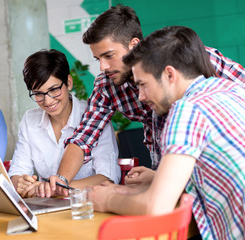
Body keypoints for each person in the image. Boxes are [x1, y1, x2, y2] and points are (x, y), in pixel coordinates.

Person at [44, 5, 245, 196]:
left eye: (109, 56)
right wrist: (61, 179)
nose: (103, 67)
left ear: (134, 45)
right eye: (98, 59)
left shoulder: (194, 59)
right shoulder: (107, 85)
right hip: (166, 178)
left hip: (212, 182)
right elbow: (83, 138)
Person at [92, 25, 245, 240]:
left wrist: (106, 199)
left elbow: (157, 208)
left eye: (143, 84)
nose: (141, 97)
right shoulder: (231, 89)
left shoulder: (187, 108)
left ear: (169, 74)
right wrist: (158, 178)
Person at [8, 49, 120, 198]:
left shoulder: (94, 117)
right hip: (47, 209)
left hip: (87, 207)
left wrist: (56, 189)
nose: (48, 101)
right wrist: (21, 184)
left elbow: (107, 178)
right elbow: (16, 174)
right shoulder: (30, 120)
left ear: (68, 82)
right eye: (38, 94)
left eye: (54, 90)